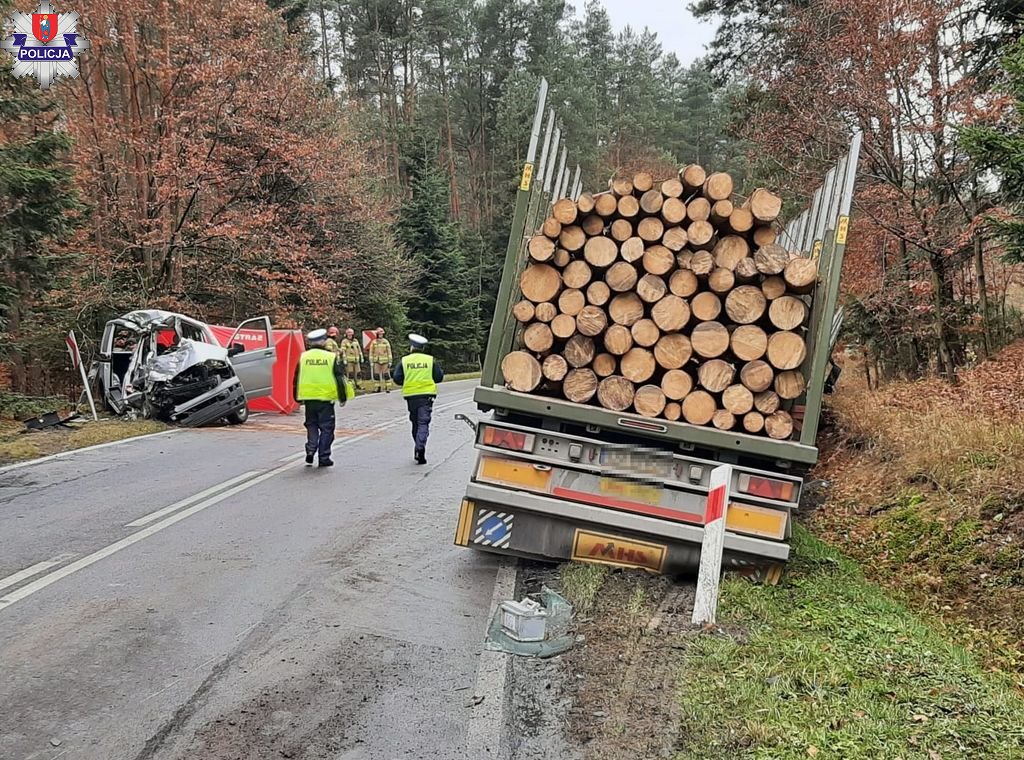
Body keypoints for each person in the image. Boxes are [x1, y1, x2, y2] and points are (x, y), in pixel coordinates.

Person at [293, 328, 347, 468]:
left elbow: (296, 378)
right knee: (326, 428)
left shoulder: (303, 357)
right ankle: (324, 457)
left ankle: (311, 449)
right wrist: (342, 396)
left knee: (311, 424)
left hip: (309, 398)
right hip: (325, 398)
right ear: (323, 341)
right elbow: (339, 378)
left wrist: (296, 396)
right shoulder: (330, 357)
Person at [392, 333, 444, 464]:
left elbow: (397, 378)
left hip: (411, 397)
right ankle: (420, 447)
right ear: (422, 348)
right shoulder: (430, 360)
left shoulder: (404, 361)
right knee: (423, 423)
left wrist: (408, 380)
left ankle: (417, 444)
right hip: (426, 396)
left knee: (415, 422)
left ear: (411, 347)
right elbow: (439, 377)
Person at [369, 327, 394, 393]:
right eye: (379, 333)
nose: (380, 334)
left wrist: (390, 361)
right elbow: (371, 352)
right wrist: (371, 361)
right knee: (376, 375)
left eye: (381, 333)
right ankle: (377, 387)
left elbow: (389, 352)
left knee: (386, 375)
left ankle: (388, 387)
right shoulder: (374, 342)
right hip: (376, 361)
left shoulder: (386, 342)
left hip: (385, 361)